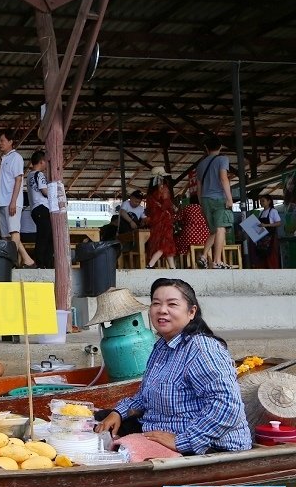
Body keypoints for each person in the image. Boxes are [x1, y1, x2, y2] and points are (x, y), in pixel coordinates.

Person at [95, 278, 252, 455]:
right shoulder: (162, 346)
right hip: (159, 430)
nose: (162, 310)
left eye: (172, 304)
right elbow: (145, 397)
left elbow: (228, 407)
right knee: (98, 422)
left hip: (208, 444)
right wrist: (118, 412)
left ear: (191, 312)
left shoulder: (202, 348)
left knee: (121, 450)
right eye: (156, 303)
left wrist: (182, 441)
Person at [0, 130, 35, 268]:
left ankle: (12, 261)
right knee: (6, 235)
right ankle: (27, 260)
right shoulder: (4, 158)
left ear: (10, 142)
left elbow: (18, 179)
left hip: (11, 201)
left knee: (14, 232)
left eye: (2, 140)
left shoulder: (16, 157)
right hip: (3, 201)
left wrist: (13, 201)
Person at [195, 136, 234, 269]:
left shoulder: (200, 164)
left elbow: (198, 187)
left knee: (214, 231)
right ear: (220, 147)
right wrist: (229, 198)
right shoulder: (222, 159)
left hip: (205, 200)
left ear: (206, 148)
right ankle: (217, 261)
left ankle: (204, 256)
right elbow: (223, 178)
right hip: (218, 199)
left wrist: (201, 204)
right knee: (221, 228)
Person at [144, 167, 177, 269]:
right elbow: (167, 204)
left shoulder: (150, 193)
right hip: (165, 220)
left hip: (155, 221)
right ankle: (150, 264)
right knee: (165, 244)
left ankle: (172, 268)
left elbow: (148, 210)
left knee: (163, 243)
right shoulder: (164, 188)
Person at [27, 149, 53, 268]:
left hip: (35, 209)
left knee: (43, 235)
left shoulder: (29, 176)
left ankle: (42, 262)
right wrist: (55, 196)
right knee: (45, 237)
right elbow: (44, 190)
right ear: (42, 162)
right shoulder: (40, 174)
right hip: (42, 207)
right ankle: (42, 263)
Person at [174, 194, 210, 264]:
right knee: (198, 244)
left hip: (190, 237)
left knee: (176, 240)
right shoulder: (204, 208)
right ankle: (200, 259)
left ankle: (182, 263)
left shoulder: (187, 208)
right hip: (206, 238)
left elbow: (176, 218)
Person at [252, 194, 281, 269]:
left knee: (271, 254)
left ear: (269, 201)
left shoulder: (273, 211)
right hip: (261, 238)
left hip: (271, 238)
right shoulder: (261, 212)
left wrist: (266, 225)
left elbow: (278, 223)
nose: (261, 203)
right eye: (260, 201)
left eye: (263, 201)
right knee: (261, 254)